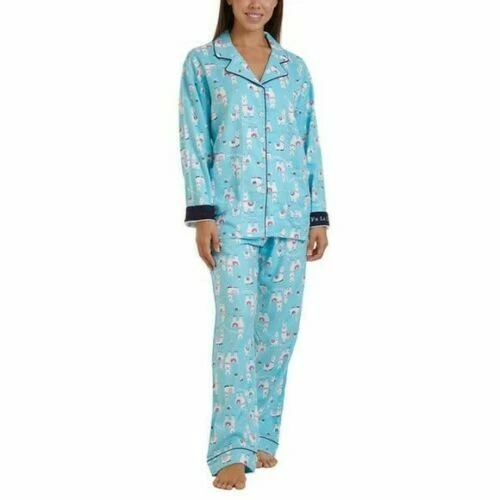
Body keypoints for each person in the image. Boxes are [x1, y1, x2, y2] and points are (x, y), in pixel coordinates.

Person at [178, 0, 331, 490]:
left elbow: (309, 141)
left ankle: (261, 434)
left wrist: (318, 215)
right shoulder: (204, 63)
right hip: (232, 217)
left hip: (290, 214)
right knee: (236, 332)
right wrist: (203, 214)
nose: (255, 2)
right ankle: (231, 447)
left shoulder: (294, 68)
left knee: (279, 331)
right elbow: (194, 140)